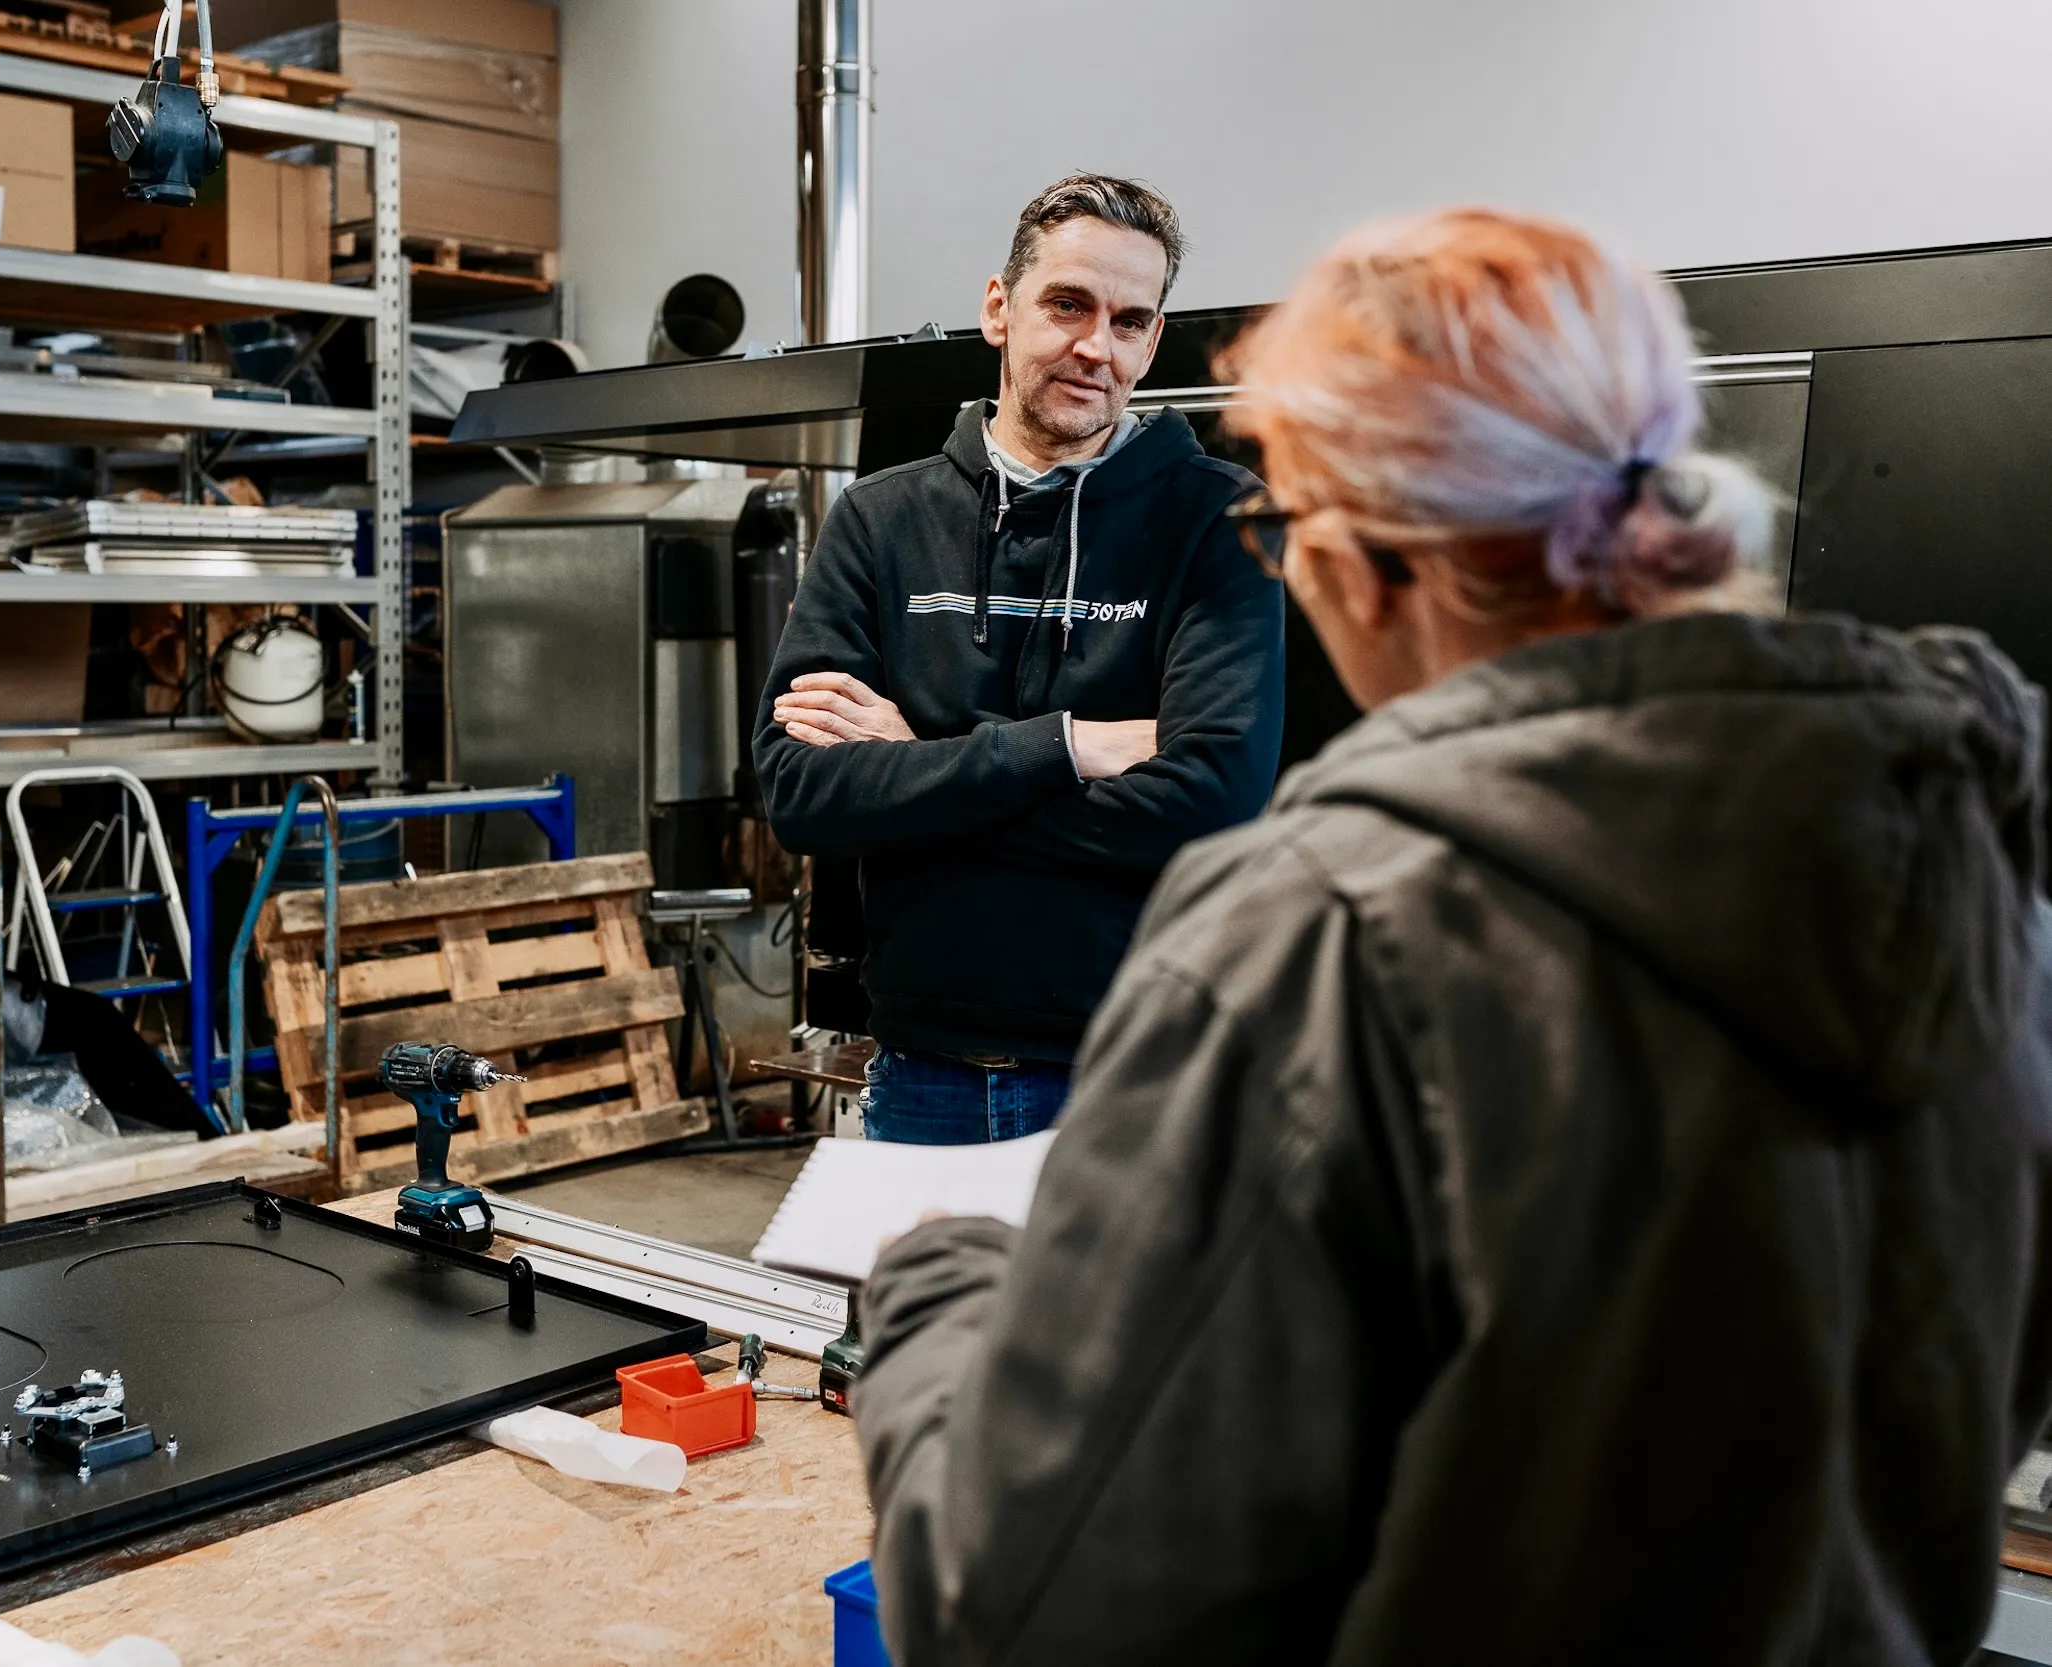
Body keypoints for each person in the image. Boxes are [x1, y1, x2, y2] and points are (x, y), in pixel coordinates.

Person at [852, 207, 2052, 1664]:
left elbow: (1017, 1604)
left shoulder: (1331, 938)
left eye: (1283, 529)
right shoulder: (1990, 888)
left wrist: (939, 1276)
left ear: (1366, 558)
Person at [754, 173, 1286, 1144]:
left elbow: (1213, 805)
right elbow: (800, 793)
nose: (1096, 346)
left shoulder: (1217, 519)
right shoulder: (880, 519)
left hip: (1140, 1069)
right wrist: (1069, 745)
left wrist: (918, 763)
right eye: (1068, 305)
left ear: (1152, 342)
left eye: (1129, 321)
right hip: (923, 1068)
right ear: (999, 309)